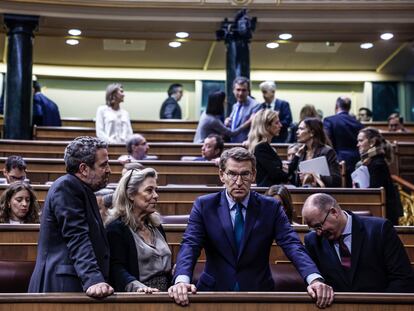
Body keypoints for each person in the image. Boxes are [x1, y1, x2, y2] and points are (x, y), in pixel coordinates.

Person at [168, 147, 334, 308]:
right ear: (222, 175)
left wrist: (314, 279)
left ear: (254, 175)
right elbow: (190, 244)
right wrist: (182, 281)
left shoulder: (271, 207)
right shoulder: (205, 206)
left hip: (259, 293)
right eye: (232, 174)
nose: (239, 182)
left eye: (245, 174)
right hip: (214, 292)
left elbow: (292, 245)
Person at [28, 136, 114, 297]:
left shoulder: (82, 189)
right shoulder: (67, 186)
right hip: (60, 287)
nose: (109, 169)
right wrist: (93, 279)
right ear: (83, 168)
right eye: (104, 164)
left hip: (70, 283)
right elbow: (77, 236)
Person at [302, 193, 414, 292]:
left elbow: (402, 278)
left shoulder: (380, 230)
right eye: (313, 228)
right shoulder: (313, 241)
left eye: (319, 226)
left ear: (334, 212)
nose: (318, 233)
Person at [106, 168, 172, 292]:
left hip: (165, 295)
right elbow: (116, 269)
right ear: (130, 194)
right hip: (138, 296)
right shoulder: (116, 229)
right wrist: (137, 287)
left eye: (155, 190)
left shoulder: (156, 226)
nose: (156, 195)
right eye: (149, 190)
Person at [355, 127, 403, 225]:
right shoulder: (372, 161)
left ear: (372, 142)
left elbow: (374, 194)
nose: (357, 145)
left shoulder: (377, 164)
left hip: (384, 217)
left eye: (361, 141)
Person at [323, 96, 364, 187]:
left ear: (336, 106)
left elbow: (326, 140)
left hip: (337, 159)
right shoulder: (358, 123)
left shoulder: (329, 120)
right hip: (356, 160)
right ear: (349, 107)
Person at [291, 118, 341, 187]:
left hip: (322, 194)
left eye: (301, 129)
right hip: (303, 193)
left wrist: (314, 176)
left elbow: (336, 181)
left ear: (312, 133)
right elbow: (294, 179)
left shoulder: (327, 152)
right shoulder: (302, 152)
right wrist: (297, 155)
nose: (297, 132)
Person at [246, 109, 289, 187]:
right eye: (276, 123)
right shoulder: (261, 147)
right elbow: (275, 175)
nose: (280, 125)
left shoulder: (265, 146)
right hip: (268, 193)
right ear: (266, 126)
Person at [224, 77, 258, 143]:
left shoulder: (255, 105)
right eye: (238, 90)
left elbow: (256, 128)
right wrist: (227, 122)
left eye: (244, 90)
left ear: (248, 91)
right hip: (232, 144)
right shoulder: (235, 106)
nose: (240, 93)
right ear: (233, 91)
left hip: (246, 145)